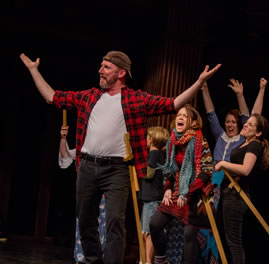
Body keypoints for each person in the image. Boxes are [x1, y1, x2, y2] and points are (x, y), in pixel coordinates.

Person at [20, 51, 221, 264]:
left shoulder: (135, 99)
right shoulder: (90, 96)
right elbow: (52, 97)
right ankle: (93, 260)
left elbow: (172, 103)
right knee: (86, 220)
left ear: (121, 72)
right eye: (101, 65)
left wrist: (199, 82)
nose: (100, 70)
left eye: (106, 67)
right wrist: (34, 71)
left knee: (115, 221)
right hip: (87, 166)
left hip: (117, 170)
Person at [200, 78, 267, 263]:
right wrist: (204, 89)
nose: (230, 125)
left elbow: (253, 117)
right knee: (214, 228)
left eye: (234, 122)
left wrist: (242, 95)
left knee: (232, 239)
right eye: (227, 121)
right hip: (216, 183)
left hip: (232, 185)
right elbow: (211, 114)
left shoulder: (244, 142)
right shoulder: (221, 136)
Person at [149, 104, 213, 264]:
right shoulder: (172, 141)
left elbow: (206, 172)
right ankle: (161, 260)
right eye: (179, 115)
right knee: (155, 224)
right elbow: (170, 170)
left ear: (193, 123)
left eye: (185, 116)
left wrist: (187, 193)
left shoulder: (201, 141)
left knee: (189, 235)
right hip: (178, 191)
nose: (180, 117)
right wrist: (168, 189)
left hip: (197, 194)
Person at [214, 113, 269, 264]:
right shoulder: (245, 143)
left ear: (258, 133)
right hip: (228, 194)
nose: (245, 125)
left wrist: (223, 163)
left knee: (234, 243)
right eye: (247, 123)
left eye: (251, 125)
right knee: (226, 240)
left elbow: (246, 169)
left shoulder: (255, 144)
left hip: (236, 196)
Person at [59, 125, 106, 264]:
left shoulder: (108, 149)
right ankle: (83, 257)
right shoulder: (85, 148)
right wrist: (63, 138)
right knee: (85, 220)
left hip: (104, 194)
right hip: (89, 191)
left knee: (102, 225)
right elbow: (65, 156)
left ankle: (100, 257)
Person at [140, 126, 169, 264]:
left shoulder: (154, 154)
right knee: (146, 232)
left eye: (147, 137)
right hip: (151, 198)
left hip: (152, 199)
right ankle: (144, 260)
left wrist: (137, 169)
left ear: (151, 139)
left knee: (148, 232)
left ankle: (147, 261)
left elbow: (149, 174)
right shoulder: (158, 155)